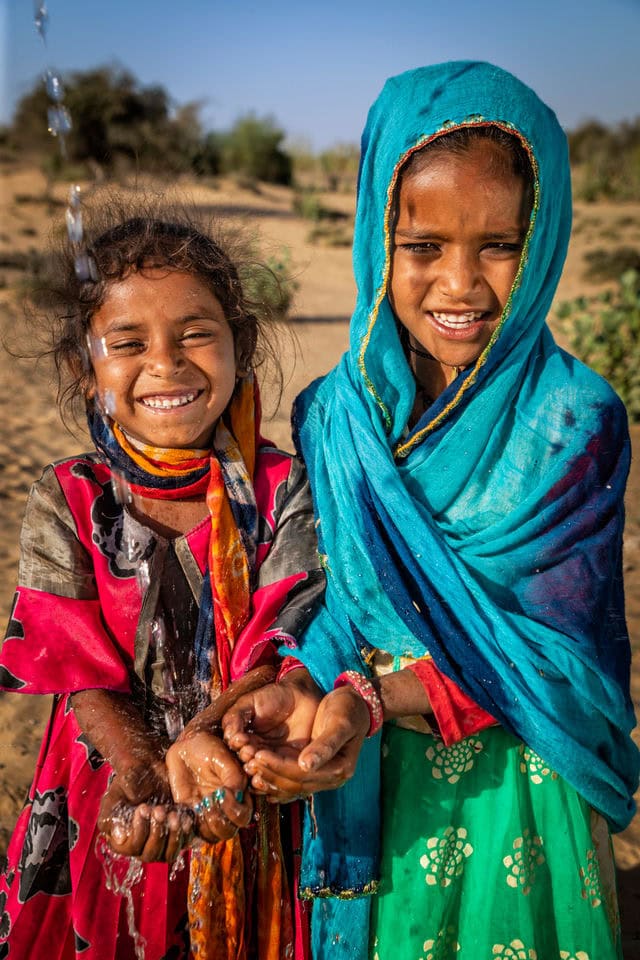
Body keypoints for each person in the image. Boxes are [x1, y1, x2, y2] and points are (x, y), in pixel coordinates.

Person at [213, 62, 640, 959]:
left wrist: (368, 701)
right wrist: (303, 688)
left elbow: (556, 655)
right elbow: (344, 597)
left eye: (498, 244)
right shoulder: (337, 417)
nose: (462, 284)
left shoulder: (572, 421)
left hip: (516, 782)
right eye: (423, 247)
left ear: (545, 236)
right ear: (378, 236)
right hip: (368, 767)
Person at [0, 202, 323, 960]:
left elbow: (290, 637)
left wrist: (214, 743)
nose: (167, 363)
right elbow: (74, 668)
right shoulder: (68, 495)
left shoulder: (284, 488)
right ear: (87, 369)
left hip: (253, 769)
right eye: (127, 343)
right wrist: (142, 770)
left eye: (196, 335)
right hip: (109, 777)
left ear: (240, 346)